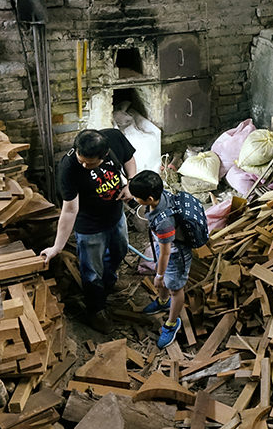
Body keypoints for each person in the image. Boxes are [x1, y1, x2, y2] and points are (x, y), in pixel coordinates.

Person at [40, 129, 137, 333]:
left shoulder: (114, 138)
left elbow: (129, 158)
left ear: (104, 154)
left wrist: (130, 183)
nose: (84, 165)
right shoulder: (68, 167)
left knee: (119, 252)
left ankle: (108, 283)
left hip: (115, 215)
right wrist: (57, 247)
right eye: (81, 159)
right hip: (89, 226)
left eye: (90, 163)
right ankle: (96, 310)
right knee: (91, 272)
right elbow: (69, 209)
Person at [130, 170, 194, 349]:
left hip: (176, 253)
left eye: (136, 197)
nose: (134, 199)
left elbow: (166, 253)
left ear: (149, 199)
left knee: (175, 287)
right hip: (165, 246)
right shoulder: (162, 195)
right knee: (165, 279)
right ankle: (163, 302)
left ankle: (172, 323)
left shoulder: (164, 222)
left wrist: (158, 275)